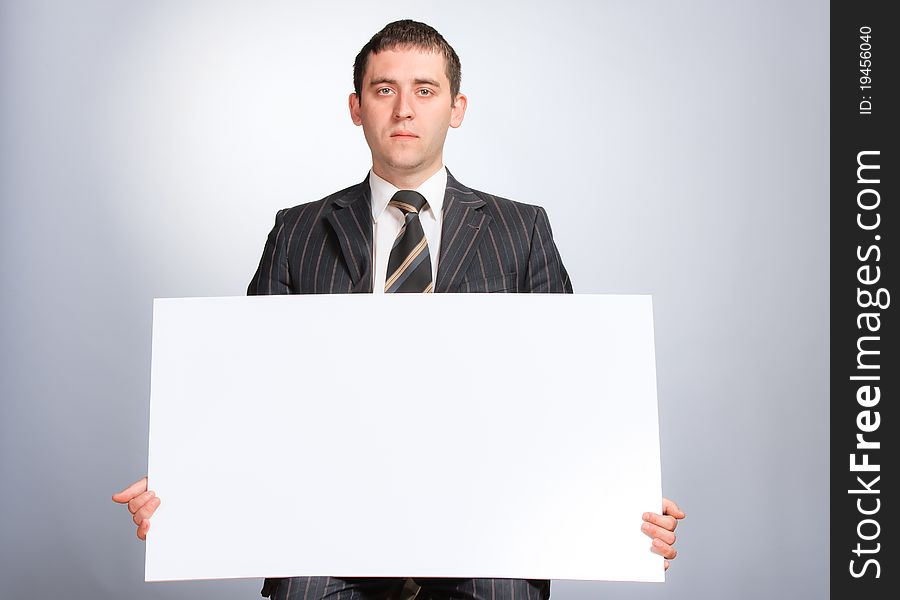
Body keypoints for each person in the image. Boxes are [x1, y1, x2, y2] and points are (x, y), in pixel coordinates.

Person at [113, 19, 685, 600]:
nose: (404, 109)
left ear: (456, 108)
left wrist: (623, 493)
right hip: (330, 525)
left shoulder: (521, 229)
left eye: (425, 90)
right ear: (357, 107)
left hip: (486, 527)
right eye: (385, 89)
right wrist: (185, 490)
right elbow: (245, 386)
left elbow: (571, 386)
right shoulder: (299, 231)